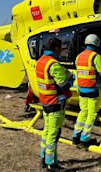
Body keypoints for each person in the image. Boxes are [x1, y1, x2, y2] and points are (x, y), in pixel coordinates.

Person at [72, 34, 101, 147]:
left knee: (83, 111)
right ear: (97, 43)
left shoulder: (79, 56)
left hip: (81, 89)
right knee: (92, 113)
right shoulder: (95, 57)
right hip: (92, 89)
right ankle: (85, 138)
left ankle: (76, 136)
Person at [36, 38, 73, 171]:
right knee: (54, 134)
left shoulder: (40, 62)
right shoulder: (54, 64)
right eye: (61, 48)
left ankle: (43, 158)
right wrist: (70, 79)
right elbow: (63, 85)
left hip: (45, 102)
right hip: (55, 103)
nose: (61, 50)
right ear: (56, 48)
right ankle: (52, 164)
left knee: (46, 132)